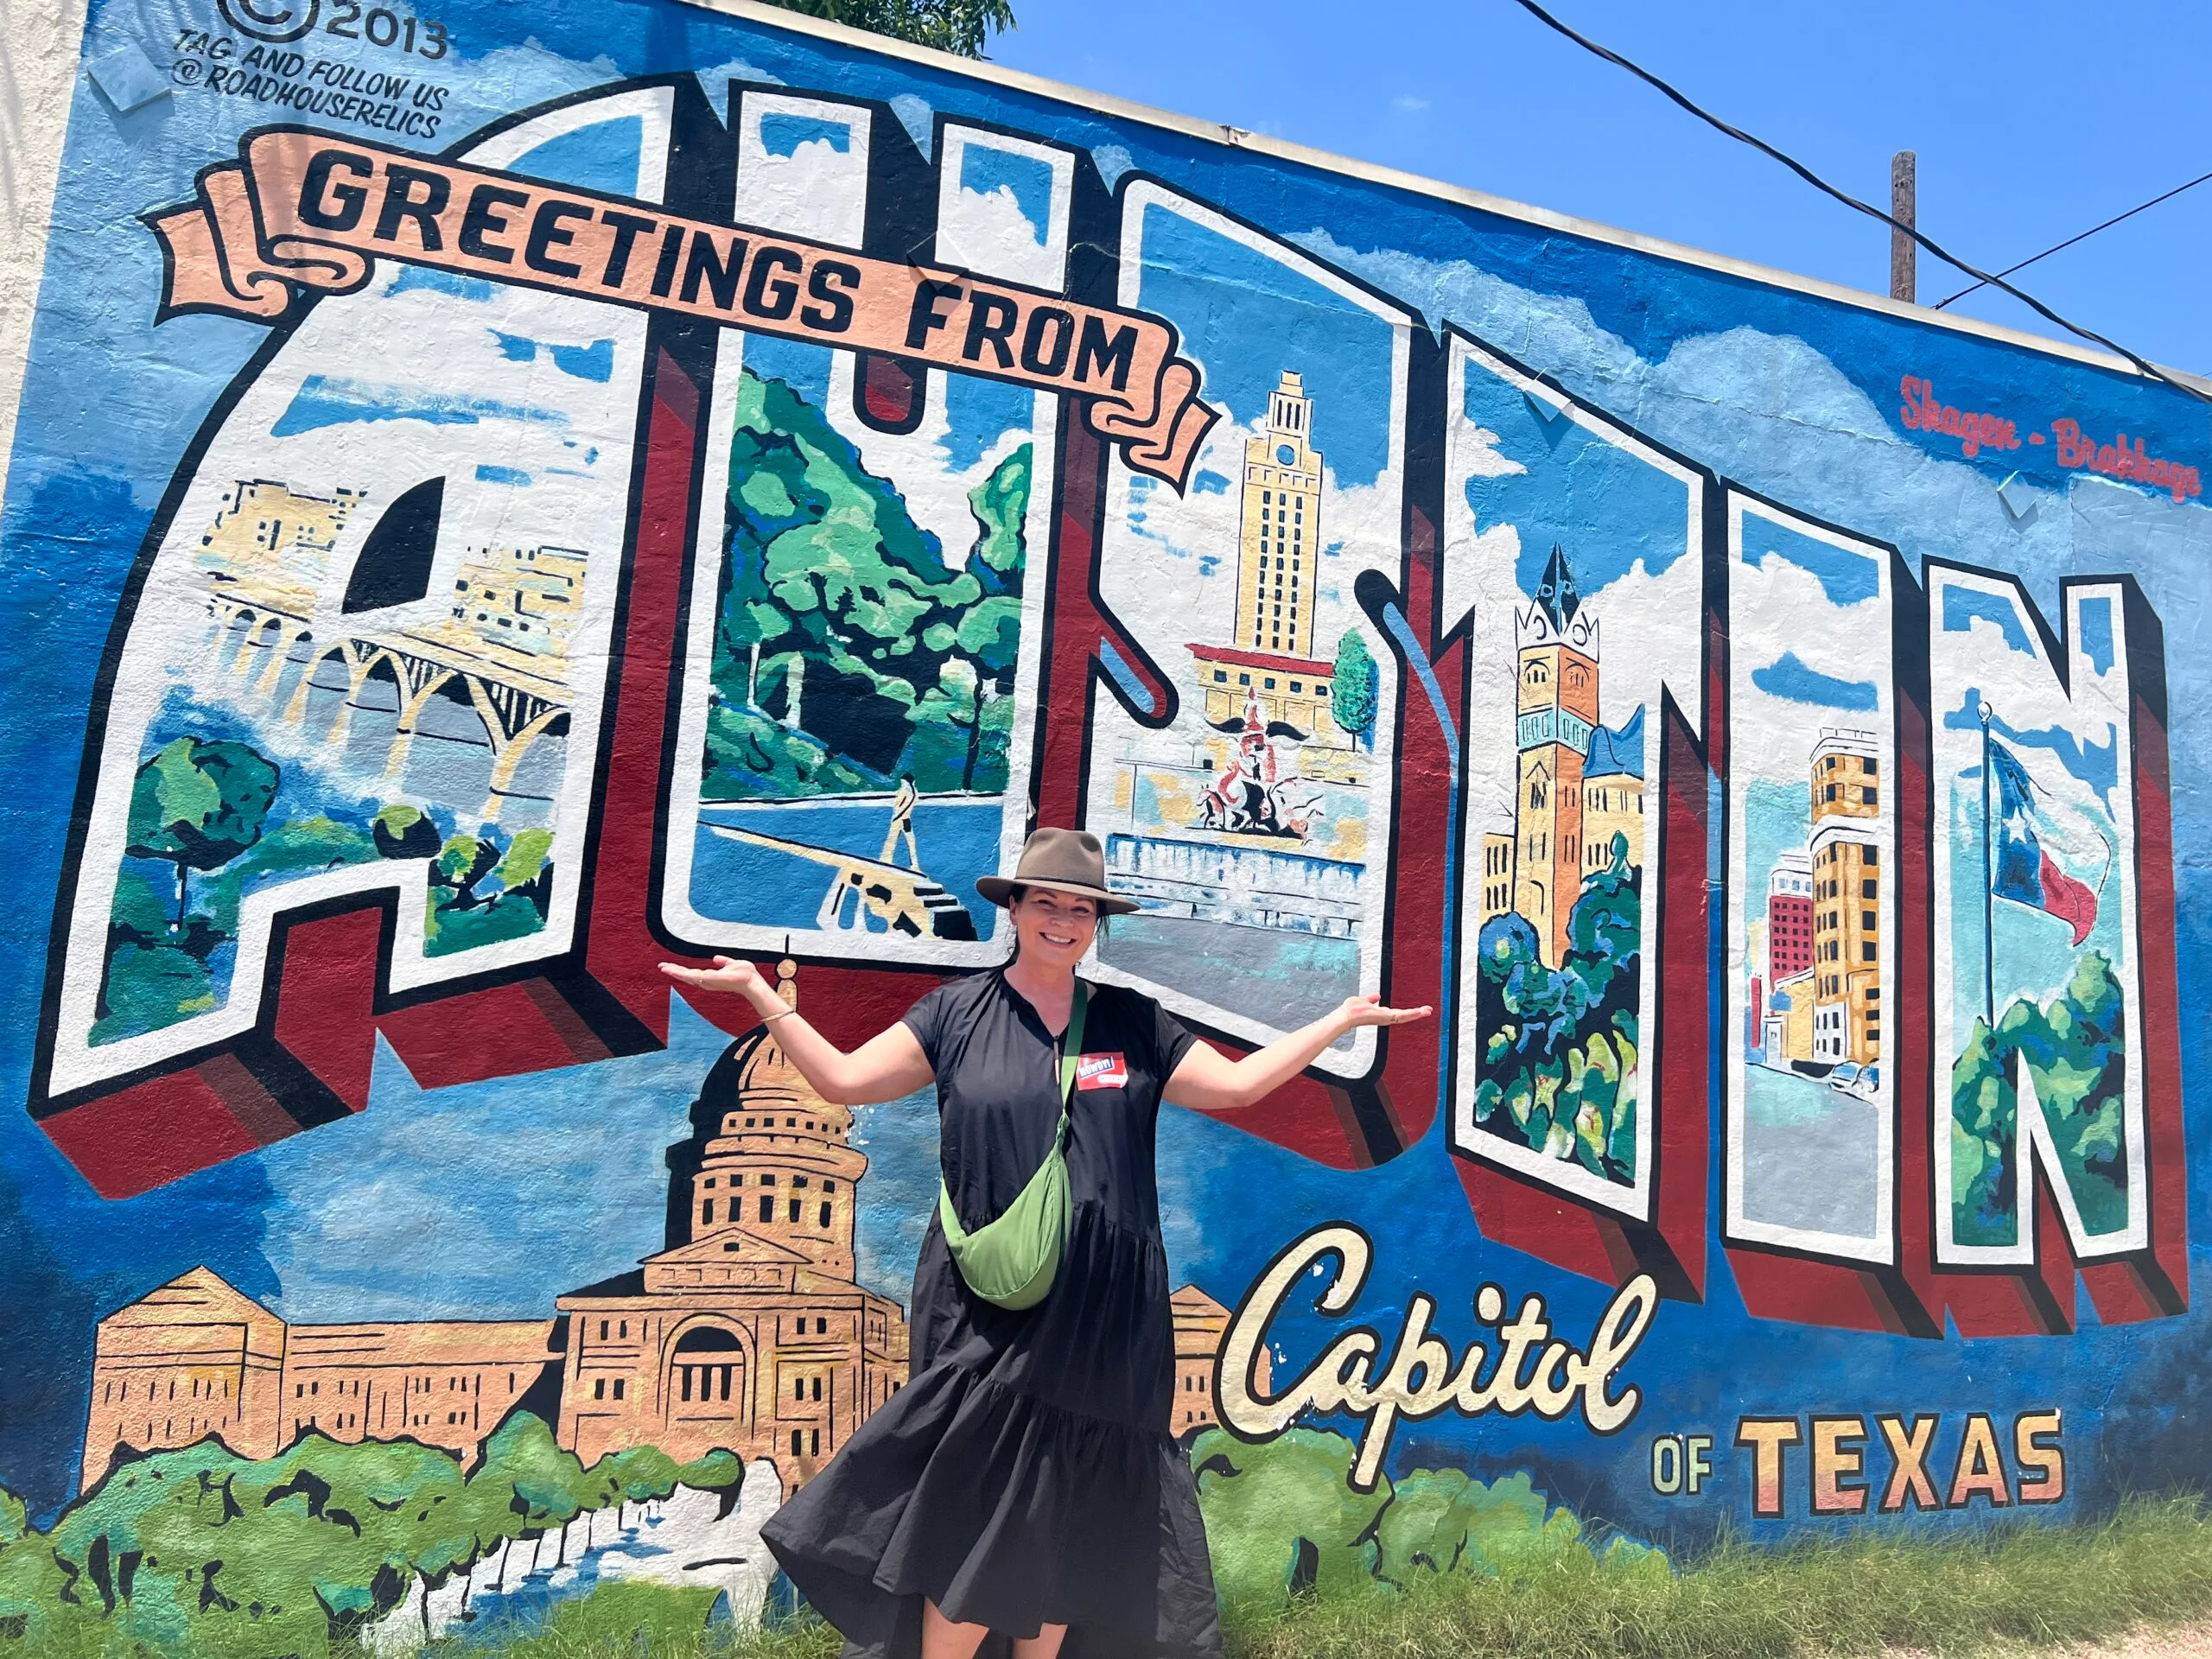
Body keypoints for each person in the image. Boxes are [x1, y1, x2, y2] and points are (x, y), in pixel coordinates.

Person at [658, 827, 1430, 1659]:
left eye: (1082, 909)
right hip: (990, 1306)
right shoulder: (957, 1014)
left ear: (1096, 922)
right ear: (1016, 909)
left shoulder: (1135, 1023)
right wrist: (760, 997)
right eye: (1047, 903)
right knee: (977, 1502)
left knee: (1074, 1508)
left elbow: (1238, 1087)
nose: (1063, 921)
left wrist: (1337, 1021)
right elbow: (848, 1081)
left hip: (1108, 1315)